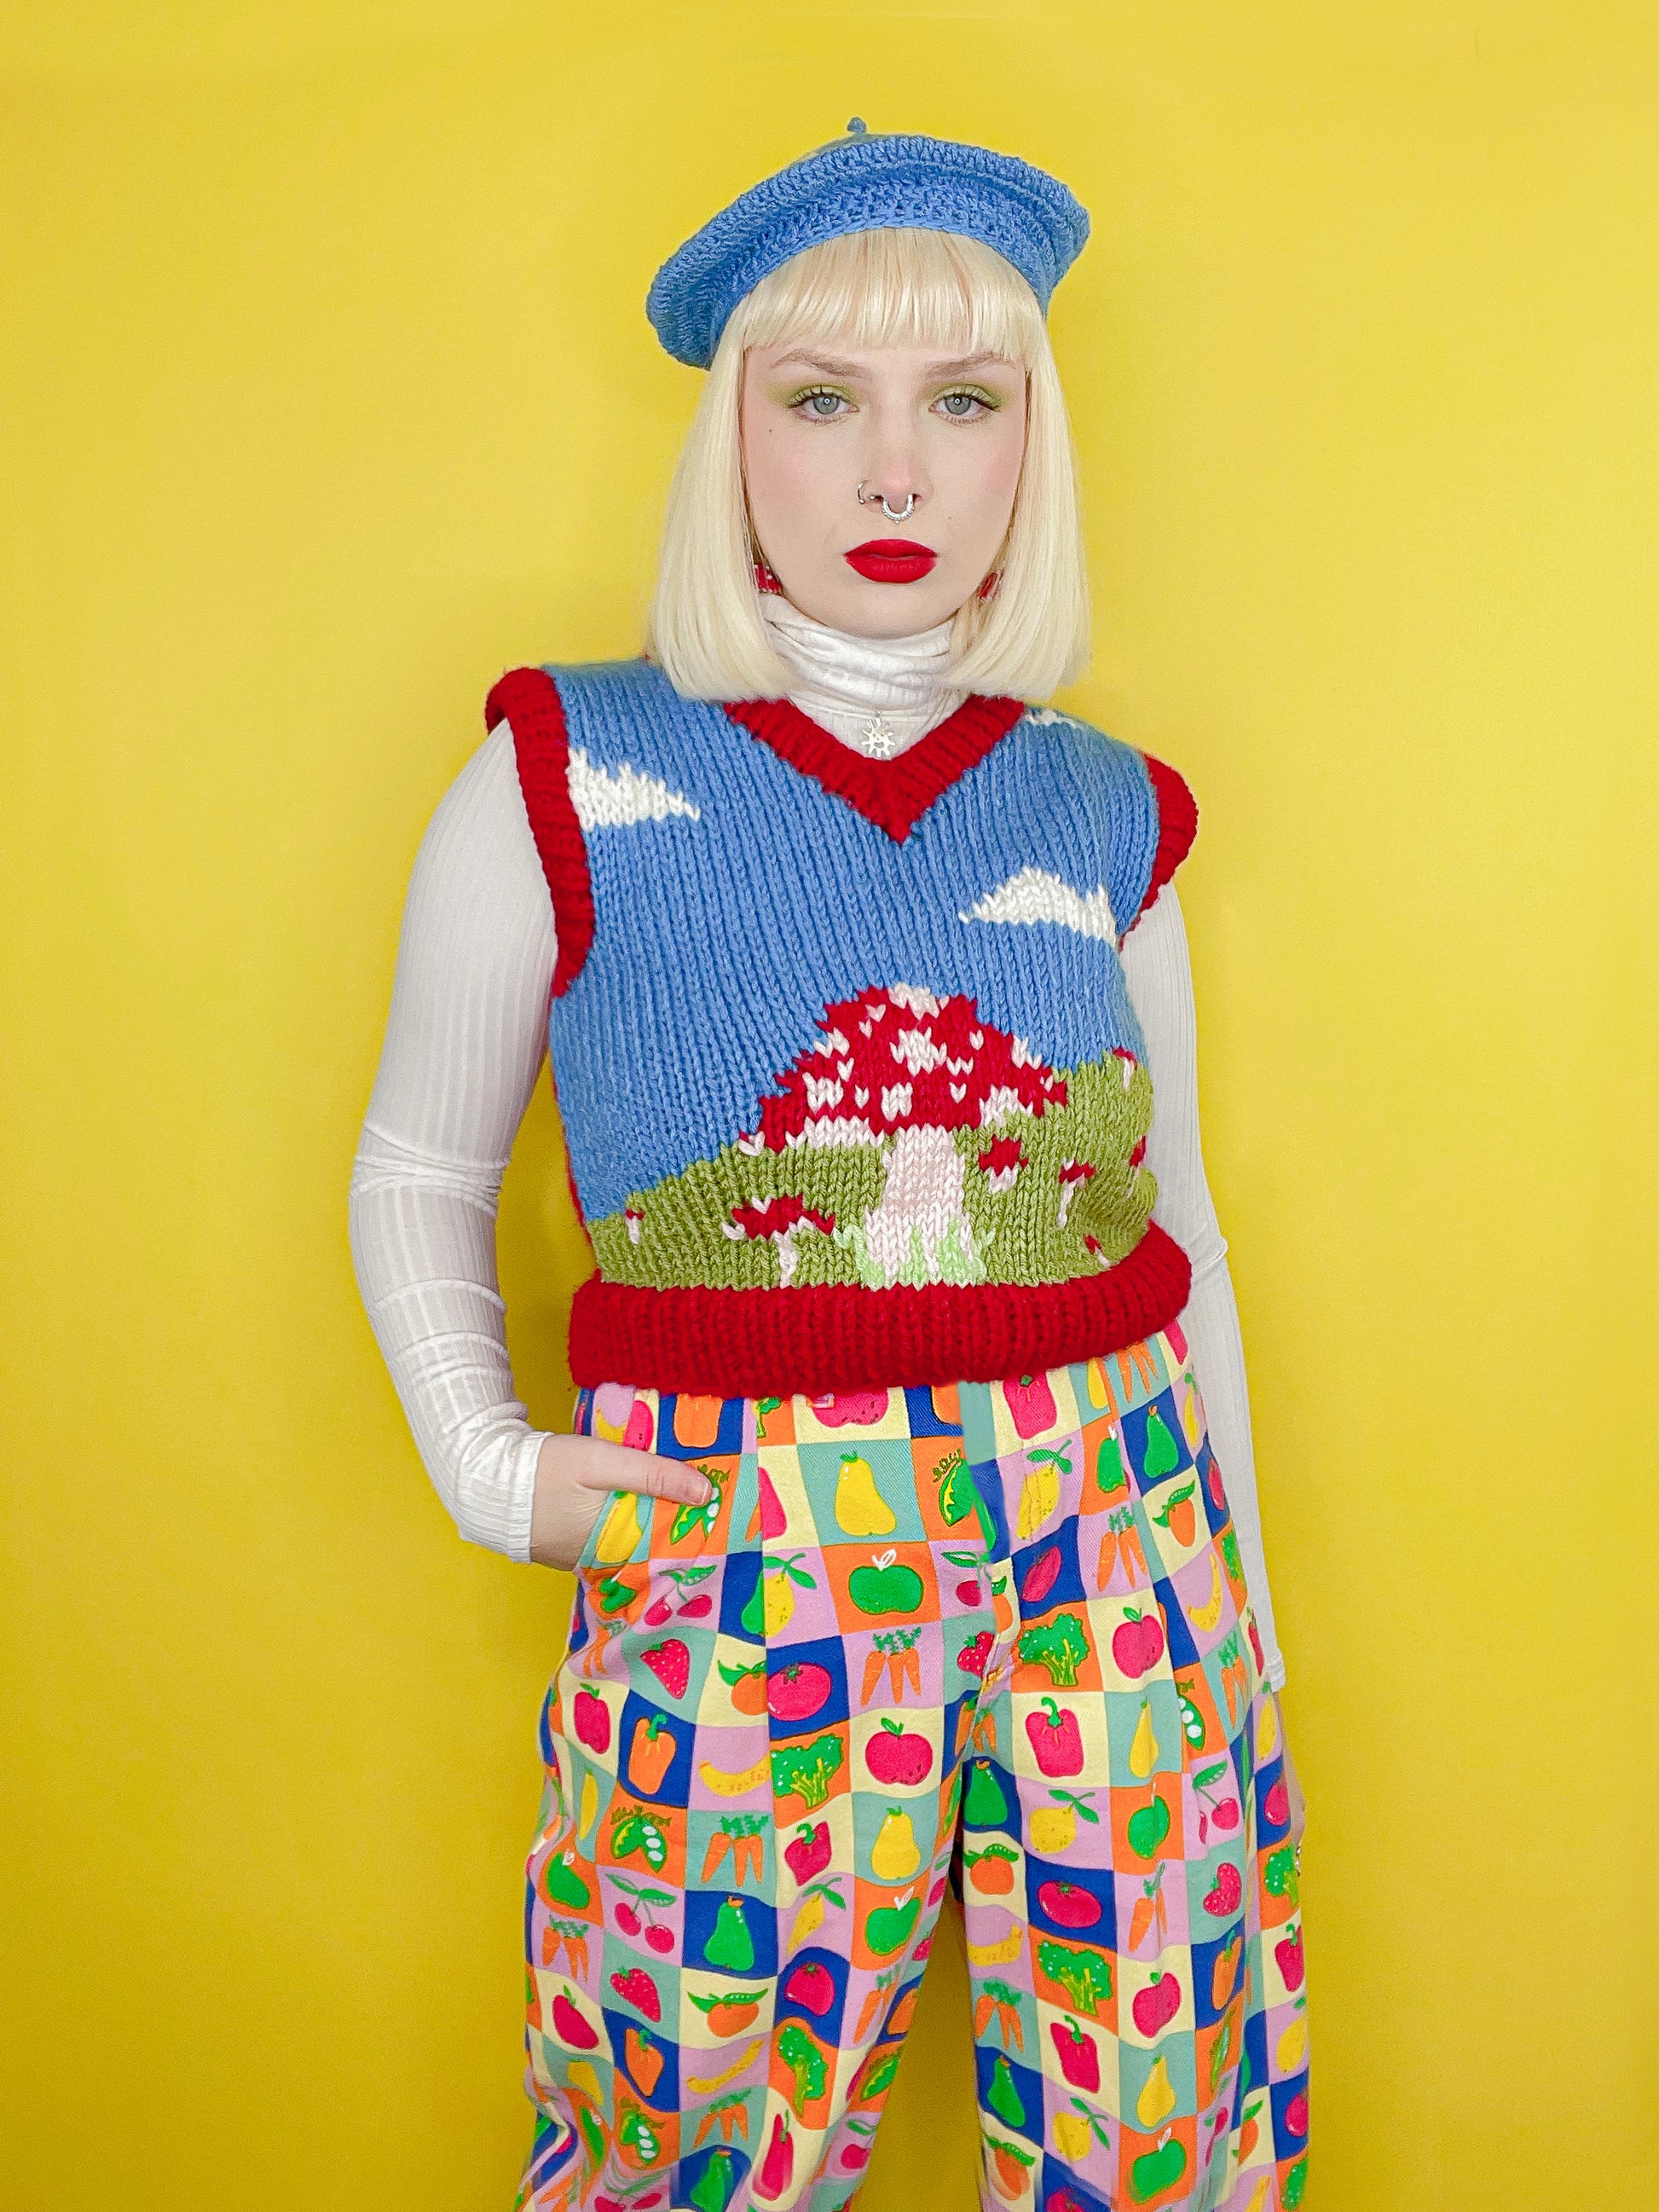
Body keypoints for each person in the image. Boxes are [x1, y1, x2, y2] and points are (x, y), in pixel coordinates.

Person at [351, 124, 1307, 2212]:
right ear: (736, 437)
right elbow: (418, 1164)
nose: (897, 475)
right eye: (823, 401)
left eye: (964, 405)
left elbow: (1183, 1228)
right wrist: (491, 1465)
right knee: (693, 2107)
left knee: (1153, 2096)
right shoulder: (561, 770)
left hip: (1117, 1522)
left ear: (1029, 448)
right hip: (745, 1536)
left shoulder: (1103, 810)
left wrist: (1230, 1585)